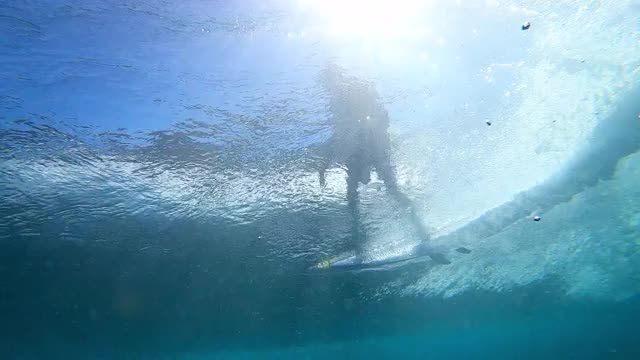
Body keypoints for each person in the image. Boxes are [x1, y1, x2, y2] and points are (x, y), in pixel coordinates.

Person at [317, 64, 450, 266]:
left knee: (390, 191)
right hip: (361, 153)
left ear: (335, 77)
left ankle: (423, 235)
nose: (328, 86)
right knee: (354, 198)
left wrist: (375, 141)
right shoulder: (338, 100)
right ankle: (361, 248)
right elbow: (339, 133)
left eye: (328, 80)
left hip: (374, 148)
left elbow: (376, 116)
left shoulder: (354, 90)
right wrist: (324, 165)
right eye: (326, 82)